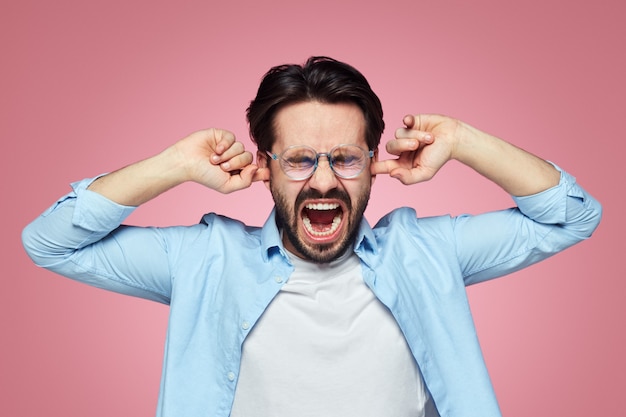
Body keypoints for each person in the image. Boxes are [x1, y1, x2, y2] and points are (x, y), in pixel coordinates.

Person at [22, 56, 602, 417]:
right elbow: (50, 243)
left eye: (345, 159)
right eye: (299, 159)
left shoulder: (427, 253)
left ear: (374, 162)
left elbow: (574, 216)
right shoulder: (202, 259)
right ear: (265, 165)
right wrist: (173, 163)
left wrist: (463, 139)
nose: (323, 179)